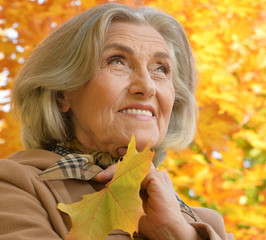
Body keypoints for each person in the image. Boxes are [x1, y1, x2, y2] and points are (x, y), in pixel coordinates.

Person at [0, 3, 234, 240]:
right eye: (117, 61)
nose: (147, 86)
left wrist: (177, 233)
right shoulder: (15, 187)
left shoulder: (204, 224)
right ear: (63, 93)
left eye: (161, 69)